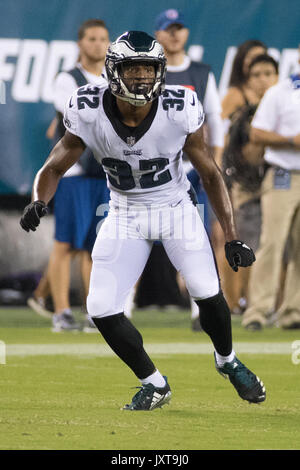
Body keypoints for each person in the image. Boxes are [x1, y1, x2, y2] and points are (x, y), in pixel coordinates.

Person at [20, 31, 265, 410]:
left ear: (161, 72)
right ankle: (154, 383)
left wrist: (231, 235)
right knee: (100, 307)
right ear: (113, 70)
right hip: (123, 212)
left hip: (175, 208)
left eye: (148, 69)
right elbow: (54, 165)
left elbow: (212, 174)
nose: (141, 77)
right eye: (133, 68)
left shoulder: (179, 105)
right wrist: (39, 200)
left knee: (206, 291)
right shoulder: (87, 107)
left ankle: (227, 361)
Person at [132, 9, 225, 328]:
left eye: (179, 29)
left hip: (192, 168)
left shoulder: (200, 72)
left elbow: (216, 119)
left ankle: (202, 309)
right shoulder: (144, 70)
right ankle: (123, 304)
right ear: (158, 34)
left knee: (197, 238)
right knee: (131, 233)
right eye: (167, 29)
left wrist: (215, 162)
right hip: (147, 168)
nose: (174, 34)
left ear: (185, 33)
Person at [27, 19, 110, 332]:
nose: (98, 44)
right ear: (80, 43)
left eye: (103, 39)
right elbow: (78, 115)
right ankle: (61, 311)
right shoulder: (67, 78)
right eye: (91, 38)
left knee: (96, 246)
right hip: (75, 170)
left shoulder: (112, 77)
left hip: (105, 170)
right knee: (65, 244)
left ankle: (94, 312)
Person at [242, 45, 300, 331]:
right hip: (284, 174)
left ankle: (292, 312)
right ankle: (257, 312)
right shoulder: (280, 92)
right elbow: (257, 132)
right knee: (273, 243)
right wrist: (291, 141)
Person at [222, 54, 279, 324]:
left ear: (277, 76)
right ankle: (239, 303)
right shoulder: (244, 116)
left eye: (268, 73)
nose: (263, 79)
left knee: (282, 248)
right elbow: (238, 158)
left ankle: (278, 305)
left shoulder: (290, 107)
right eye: (256, 75)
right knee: (247, 248)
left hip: (282, 184)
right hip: (248, 187)